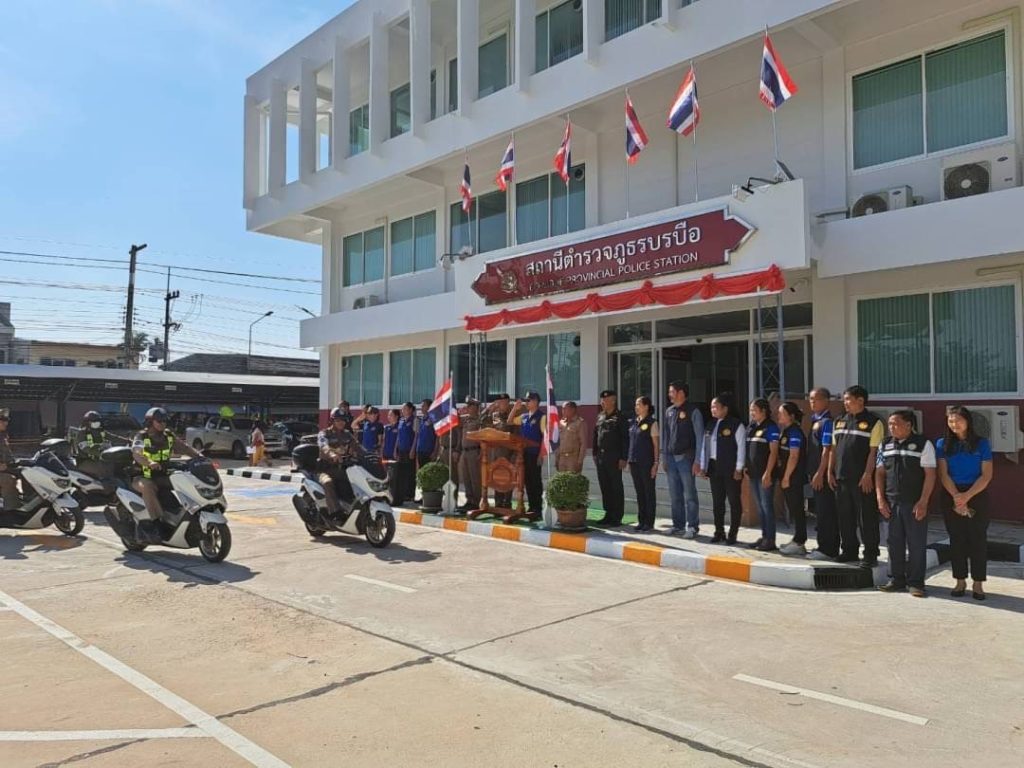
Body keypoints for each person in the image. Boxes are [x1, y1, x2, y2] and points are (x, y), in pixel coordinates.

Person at [876, 410, 937, 598]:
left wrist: (923, 501)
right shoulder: (885, 444)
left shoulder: (923, 444)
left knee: (916, 544)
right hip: (891, 502)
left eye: (895, 423)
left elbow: (930, 475)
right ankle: (896, 579)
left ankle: (916, 583)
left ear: (909, 425)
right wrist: (880, 499)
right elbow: (879, 473)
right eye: (890, 424)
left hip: (914, 503)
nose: (891, 427)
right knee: (893, 543)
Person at [936, 405, 994, 601]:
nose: (954, 424)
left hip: (976, 493)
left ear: (968, 421)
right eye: (951, 421)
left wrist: (966, 497)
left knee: (977, 539)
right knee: (957, 539)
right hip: (951, 493)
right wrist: (956, 497)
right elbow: (943, 474)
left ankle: (978, 583)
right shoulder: (942, 444)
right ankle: (960, 581)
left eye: (958, 420)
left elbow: (986, 475)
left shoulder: (982, 444)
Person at [828, 385, 884, 567]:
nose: (845, 403)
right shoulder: (839, 421)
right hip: (841, 477)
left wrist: (868, 474)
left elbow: (874, 452)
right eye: (844, 399)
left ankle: (870, 554)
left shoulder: (874, 422)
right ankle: (849, 550)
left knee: (866, 518)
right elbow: (833, 449)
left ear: (860, 400)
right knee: (845, 517)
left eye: (848, 399)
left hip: (862, 480)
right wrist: (830, 471)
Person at [131, 407, 202, 543]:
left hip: (162, 476)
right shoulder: (141, 436)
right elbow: (137, 453)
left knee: (185, 480)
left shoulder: (168, 436)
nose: (163, 423)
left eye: (165, 421)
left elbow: (185, 448)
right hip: (141, 477)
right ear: (150, 422)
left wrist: (200, 456)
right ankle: (156, 524)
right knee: (148, 486)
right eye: (159, 421)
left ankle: (190, 515)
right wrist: (149, 462)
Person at [700, 393, 745, 544]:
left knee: (734, 501)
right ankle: (719, 531)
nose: (713, 409)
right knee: (717, 502)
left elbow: (741, 447)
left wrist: (739, 468)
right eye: (711, 407)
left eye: (716, 407)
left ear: (725, 408)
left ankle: (733, 533)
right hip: (714, 467)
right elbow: (705, 447)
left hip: (731, 468)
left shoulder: (736, 424)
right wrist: (703, 465)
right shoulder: (710, 424)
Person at [662, 381, 704, 538]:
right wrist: (664, 457)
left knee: (690, 495)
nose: (669, 395)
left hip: (686, 458)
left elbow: (699, 437)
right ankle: (677, 525)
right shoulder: (669, 411)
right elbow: (666, 437)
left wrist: (698, 461)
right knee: (675, 495)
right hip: (671, 459)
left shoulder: (693, 411)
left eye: (671, 392)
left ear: (681, 393)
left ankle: (692, 526)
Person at [806, 387, 838, 561]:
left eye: (816, 399)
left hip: (823, 476)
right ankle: (822, 545)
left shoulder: (827, 422)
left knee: (826, 512)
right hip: (814, 473)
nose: (812, 402)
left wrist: (820, 473)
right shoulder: (814, 420)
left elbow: (827, 450)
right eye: (811, 399)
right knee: (820, 511)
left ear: (826, 401)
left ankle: (828, 549)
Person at [746, 398, 780, 551]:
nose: (751, 413)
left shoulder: (771, 427)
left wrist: (768, 473)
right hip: (753, 473)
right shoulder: (752, 427)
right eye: (751, 410)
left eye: (754, 410)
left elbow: (773, 452)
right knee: (760, 507)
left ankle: (770, 539)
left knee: (767, 507)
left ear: (763, 411)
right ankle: (764, 536)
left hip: (765, 474)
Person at [592, 389, 629, 527]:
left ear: (613, 401)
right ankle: (608, 513)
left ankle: (617, 516)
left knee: (615, 486)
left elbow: (625, 439)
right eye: (602, 400)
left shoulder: (620, 417)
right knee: (605, 486)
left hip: (614, 457)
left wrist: (623, 457)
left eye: (606, 400)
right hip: (601, 457)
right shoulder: (600, 416)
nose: (603, 402)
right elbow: (595, 435)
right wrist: (594, 453)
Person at [776, 402, 808, 556]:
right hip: (786, 476)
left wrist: (787, 477)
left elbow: (794, 456)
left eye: (782, 413)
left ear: (791, 416)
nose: (779, 415)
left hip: (793, 477)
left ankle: (800, 541)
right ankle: (796, 538)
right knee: (793, 508)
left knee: (797, 509)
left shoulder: (795, 432)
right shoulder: (786, 430)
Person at [316, 408, 361, 516]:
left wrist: (370, 455)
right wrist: (332, 454)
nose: (341, 422)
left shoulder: (347, 434)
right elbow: (323, 446)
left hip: (343, 470)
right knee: (328, 483)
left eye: (343, 420)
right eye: (338, 420)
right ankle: (335, 513)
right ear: (332, 421)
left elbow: (357, 446)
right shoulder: (324, 433)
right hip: (326, 470)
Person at [512, 392, 546, 520]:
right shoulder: (524, 416)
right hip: (523, 454)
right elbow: (510, 421)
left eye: (529, 400)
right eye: (525, 401)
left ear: (536, 401)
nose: (526, 403)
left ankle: (537, 508)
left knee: (535, 481)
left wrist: (541, 455)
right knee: (527, 481)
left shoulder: (542, 417)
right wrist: (515, 408)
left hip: (534, 453)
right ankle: (531, 507)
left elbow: (544, 438)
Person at [628, 396, 659, 532]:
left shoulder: (652, 423)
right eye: (636, 405)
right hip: (634, 461)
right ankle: (641, 520)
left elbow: (656, 445)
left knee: (648, 492)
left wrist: (656, 463)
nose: (636, 407)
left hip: (647, 462)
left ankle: (649, 522)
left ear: (646, 406)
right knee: (639, 492)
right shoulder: (634, 422)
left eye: (639, 404)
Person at [484, 393, 515, 509]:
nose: (502, 405)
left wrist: (514, 455)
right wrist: (489, 410)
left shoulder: (513, 415)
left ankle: (507, 503)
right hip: (496, 453)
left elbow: (515, 434)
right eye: (500, 402)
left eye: (505, 402)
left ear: (508, 403)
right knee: (497, 478)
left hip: (508, 453)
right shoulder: (494, 416)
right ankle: (498, 502)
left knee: (508, 478)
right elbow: (483, 425)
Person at [457, 399, 483, 512]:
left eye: (470, 406)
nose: (467, 408)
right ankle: (469, 500)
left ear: (475, 407)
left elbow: (483, 437)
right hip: (464, 451)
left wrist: (482, 452)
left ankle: (476, 502)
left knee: (475, 478)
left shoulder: (479, 420)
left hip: (474, 451)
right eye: (467, 406)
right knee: (466, 477)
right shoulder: (466, 420)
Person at [393, 402, 417, 505]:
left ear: (410, 409)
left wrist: (413, 449)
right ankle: (402, 493)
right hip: (401, 450)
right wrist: (395, 449)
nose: (403, 411)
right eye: (402, 409)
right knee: (401, 473)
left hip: (409, 450)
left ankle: (410, 494)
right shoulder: (401, 421)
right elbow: (398, 436)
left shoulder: (414, 420)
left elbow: (416, 436)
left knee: (410, 473)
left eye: (405, 409)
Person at [76, 410, 112, 478]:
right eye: (93, 421)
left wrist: (128, 440)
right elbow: (86, 448)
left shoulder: (100, 431)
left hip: (101, 459)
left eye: (97, 420)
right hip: (86, 460)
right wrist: (101, 452)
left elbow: (113, 437)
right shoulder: (82, 433)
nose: (96, 422)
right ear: (87, 422)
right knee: (102, 471)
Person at [555, 401, 587, 473]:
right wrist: (557, 458)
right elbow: (558, 442)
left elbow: (583, 443)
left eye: (565, 409)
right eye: (562, 409)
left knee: (572, 479)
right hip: (562, 458)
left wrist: (580, 461)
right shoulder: (561, 422)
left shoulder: (580, 423)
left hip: (573, 459)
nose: (563, 411)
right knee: (562, 479)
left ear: (573, 410)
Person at [0, 409, 21, 510]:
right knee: (8, 480)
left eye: (6, 420)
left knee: (28, 473)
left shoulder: (3, 435)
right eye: (2, 420)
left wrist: (16, 462)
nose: (6, 423)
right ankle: (11, 511)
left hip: (6, 467)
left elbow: (7, 453)